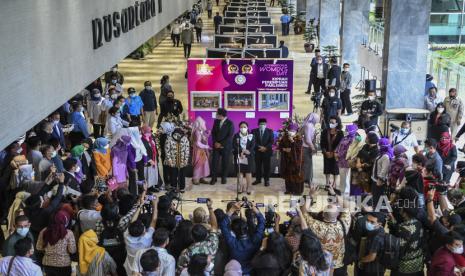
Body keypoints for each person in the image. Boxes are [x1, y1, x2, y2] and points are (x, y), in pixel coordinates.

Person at [303, 186, 351, 276]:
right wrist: (334, 194)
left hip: (322, 264)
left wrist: (310, 195)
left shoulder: (316, 226)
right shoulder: (344, 224)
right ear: (338, 215)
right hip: (339, 265)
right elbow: (346, 206)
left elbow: (304, 212)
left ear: (323, 215)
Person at [220, 201, 265, 274]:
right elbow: (262, 222)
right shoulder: (255, 240)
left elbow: (223, 225)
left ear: (233, 231)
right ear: (247, 228)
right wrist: (254, 208)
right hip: (252, 272)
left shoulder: (232, 243)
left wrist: (232, 210)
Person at [177, 200, 218, 273]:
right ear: (206, 234)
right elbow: (214, 226)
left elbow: (180, 270)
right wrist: (210, 208)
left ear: (192, 237)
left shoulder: (186, 252)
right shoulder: (212, 244)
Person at [36, 210, 77, 276]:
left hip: (47, 263)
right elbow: (72, 250)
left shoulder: (44, 231)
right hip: (64, 264)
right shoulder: (68, 233)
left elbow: (39, 247)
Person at [124, 198, 158, 275]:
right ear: (143, 233)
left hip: (130, 265)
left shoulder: (126, 235)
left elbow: (132, 221)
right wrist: (155, 205)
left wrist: (140, 206)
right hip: (143, 266)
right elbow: (154, 220)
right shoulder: (147, 238)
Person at [210, 108, 234, 185]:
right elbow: (213, 133)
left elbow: (230, 136)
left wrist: (221, 144)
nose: (216, 115)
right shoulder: (216, 121)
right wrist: (215, 142)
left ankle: (224, 178)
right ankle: (214, 178)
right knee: (214, 163)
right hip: (216, 146)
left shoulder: (230, 123)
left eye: (217, 114)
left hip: (225, 146)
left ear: (221, 115)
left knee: (225, 163)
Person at [280, 123, 304, 195]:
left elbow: (299, 148)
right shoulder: (284, 138)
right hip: (287, 160)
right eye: (290, 130)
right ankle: (289, 189)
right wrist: (284, 149)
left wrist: (292, 141)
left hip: (297, 160)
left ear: (296, 131)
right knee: (288, 175)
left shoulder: (299, 139)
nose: (291, 132)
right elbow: (280, 146)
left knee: (297, 175)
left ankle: (297, 191)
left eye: (293, 131)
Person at [321, 116, 344, 189]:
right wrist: (325, 152)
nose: (331, 124)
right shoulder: (325, 131)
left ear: (337, 123)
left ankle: (334, 183)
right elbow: (322, 143)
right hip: (326, 153)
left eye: (333, 122)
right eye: (330, 122)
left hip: (335, 154)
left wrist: (334, 152)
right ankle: (327, 183)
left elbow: (340, 144)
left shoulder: (340, 133)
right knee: (327, 168)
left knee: (335, 168)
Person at [233, 122, 255, 195]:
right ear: (239, 128)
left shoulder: (251, 136)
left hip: (249, 156)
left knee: (248, 172)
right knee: (240, 172)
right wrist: (241, 152)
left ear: (247, 127)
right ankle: (240, 187)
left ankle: (249, 187)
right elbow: (234, 146)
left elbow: (253, 146)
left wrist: (247, 151)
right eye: (241, 127)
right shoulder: (236, 136)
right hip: (239, 156)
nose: (243, 128)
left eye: (244, 127)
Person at [164, 128, 190, 193]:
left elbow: (187, 150)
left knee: (181, 174)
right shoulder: (169, 138)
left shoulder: (185, 138)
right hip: (173, 160)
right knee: (173, 174)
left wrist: (185, 160)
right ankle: (174, 187)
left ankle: (181, 187)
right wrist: (169, 160)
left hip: (182, 160)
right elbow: (167, 150)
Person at [335, 124, 358, 195]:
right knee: (342, 176)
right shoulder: (345, 138)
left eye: (347, 130)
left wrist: (338, 155)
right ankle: (342, 190)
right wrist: (335, 152)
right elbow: (339, 146)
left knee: (345, 177)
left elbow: (348, 150)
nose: (345, 131)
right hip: (340, 160)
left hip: (346, 161)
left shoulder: (353, 139)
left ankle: (345, 192)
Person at [252, 118, 274, 187]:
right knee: (258, 167)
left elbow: (271, 141)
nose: (262, 125)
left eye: (264, 124)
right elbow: (252, 141)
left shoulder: (270, 131)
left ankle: (266, 180)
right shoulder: (254, 131)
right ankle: (258, 179)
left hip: (267, 152)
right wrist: (259, 147)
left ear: (266, 124)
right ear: (258, 124)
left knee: (267, 167)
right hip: (257, 151)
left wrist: (265, 148)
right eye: (261, 124)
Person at [372, 138, 393, 207]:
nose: (378, 145)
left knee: (378, 199)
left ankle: (378, 214)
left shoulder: (385, 156)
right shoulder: (381, 154)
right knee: (375, 198)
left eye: (379, 144)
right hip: (375, 179)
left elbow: (384, 169)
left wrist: (380, 179)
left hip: (379, 181)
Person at [191, 117, 211, 185]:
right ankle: (195, 179)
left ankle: (201, 177)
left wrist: (207, 135)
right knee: (198, 165)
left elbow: (203, 140)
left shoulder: (199, 131)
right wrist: (206, 146)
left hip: (201, 151)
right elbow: (197, 143)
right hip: (198, 151)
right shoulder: (197, 132)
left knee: (204, 164)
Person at [301, 113, 319, 187]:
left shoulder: (310, 125)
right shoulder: (308, 126)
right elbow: (308, 139)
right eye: (317, 118)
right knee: (306, 166)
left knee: (308, 165)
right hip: (306, 148)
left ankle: (308, 180)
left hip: (307, 147)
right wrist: (313, 148)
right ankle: (306, 180)